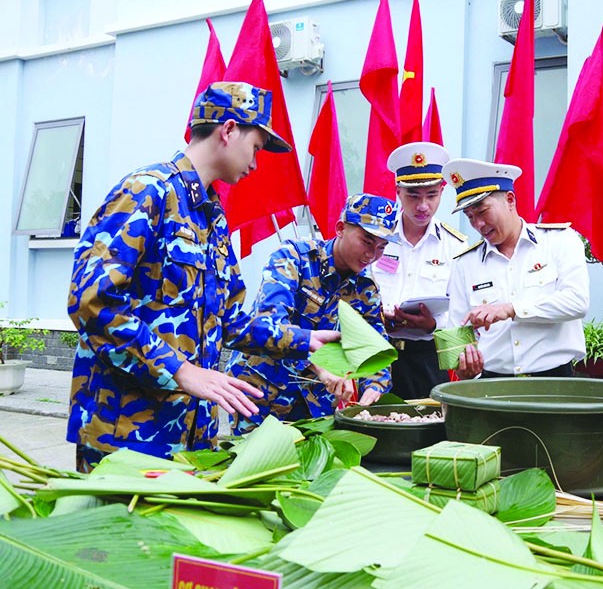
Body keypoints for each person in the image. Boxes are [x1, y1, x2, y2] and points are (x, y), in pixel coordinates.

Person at [66, 82, 340, 471]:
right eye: (257, 147)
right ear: (228, 130)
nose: (256, 163)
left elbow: (227, 319)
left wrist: (302, 339)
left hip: (192, 433)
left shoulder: (211, 217)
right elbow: (90, 300)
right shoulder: (148, 191)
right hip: (125, 431)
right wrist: (179, 369)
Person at [226, 193, 399, 433]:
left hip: (316, 408)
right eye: (367, 241)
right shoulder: (294, 257)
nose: (372, 254)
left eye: (382, 247)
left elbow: (375, 348)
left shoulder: (366, 289)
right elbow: (270, 323)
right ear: (340, 228)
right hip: (261, 396)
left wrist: (375, 386)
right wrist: (321, 365)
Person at [443, 158, 590, 379]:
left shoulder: (560, 241)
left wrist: (511, 309)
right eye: (470, 217)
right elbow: (456, 333)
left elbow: (577, 302)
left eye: (482, 211)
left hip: (555, 381)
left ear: (510, 200)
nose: (478, 224)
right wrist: (464, 368)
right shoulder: (465, 264)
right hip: (492, 384)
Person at [371, 142, 467, 399]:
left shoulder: (455, 246)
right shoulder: (376, 237)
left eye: (431, 195)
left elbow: (462, 312)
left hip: (427, 359)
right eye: (413, 195)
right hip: (374, 355)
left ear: (442, 190)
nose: (423, 205)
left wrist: (433, 325)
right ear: (398, 192)